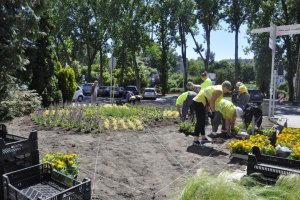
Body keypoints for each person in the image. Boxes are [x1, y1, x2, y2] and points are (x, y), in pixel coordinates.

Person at [192, 81, 232, 146]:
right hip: (199, 102)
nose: (227, 91)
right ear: (225, 87)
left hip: (200, 102)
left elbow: (209, 100)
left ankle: (203, 137)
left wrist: (209, 111)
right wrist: (213, 112)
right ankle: (195, 140)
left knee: (202, 121)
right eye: (228, 89)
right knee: (200, 122)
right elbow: (212, 101)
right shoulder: (219, 90)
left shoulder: (218, 88)